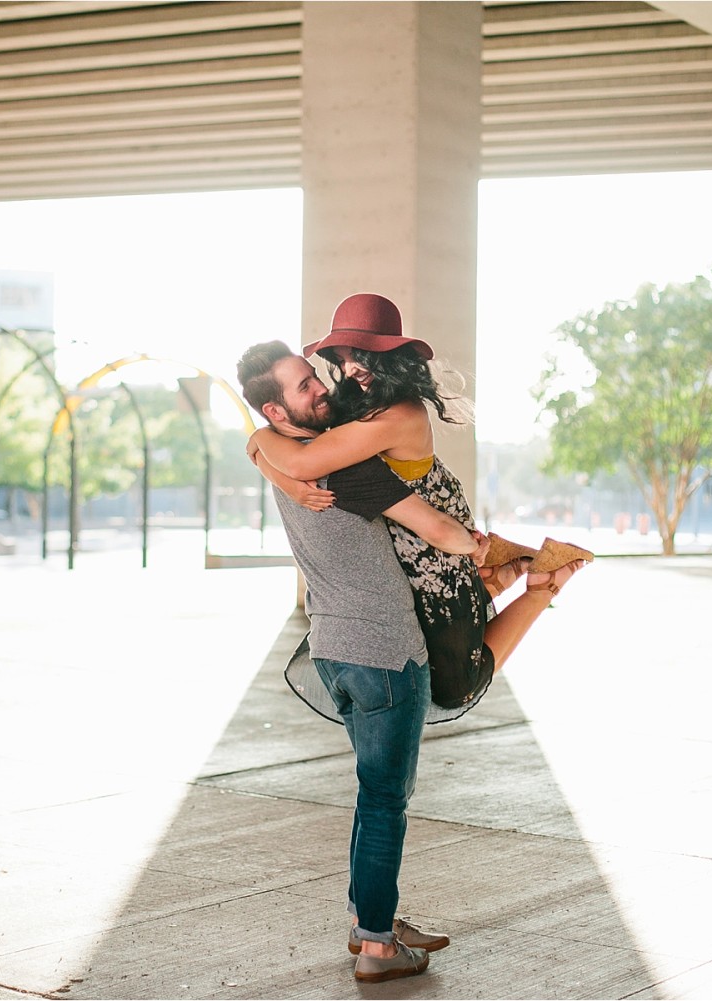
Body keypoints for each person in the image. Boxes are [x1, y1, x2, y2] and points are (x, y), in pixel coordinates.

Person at [236, 339, 480, 983]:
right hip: (383, 649)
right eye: (303, 386)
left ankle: (369, 917)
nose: (320, 387)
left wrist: (262, 450)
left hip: (334, 650)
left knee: (376, 792)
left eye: (315, 376)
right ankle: (376, 944)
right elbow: (443, 534)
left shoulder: (287, 453)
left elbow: (261, 443)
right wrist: (477, 544)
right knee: (384, 801)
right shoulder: (347, 468)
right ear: (274, 407)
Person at [249, 293, 588, 721]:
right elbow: (293, 452)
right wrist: (268, 455)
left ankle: (543, 584)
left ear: (390, 356)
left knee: (455, 686)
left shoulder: (396, 415)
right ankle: (505, 569)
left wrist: (260, 443)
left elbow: (299, 461)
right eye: (342, 357)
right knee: (434, 637)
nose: (350, 368)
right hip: (415, 538)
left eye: (361, 355)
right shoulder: (357, 401)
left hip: (433, 540)